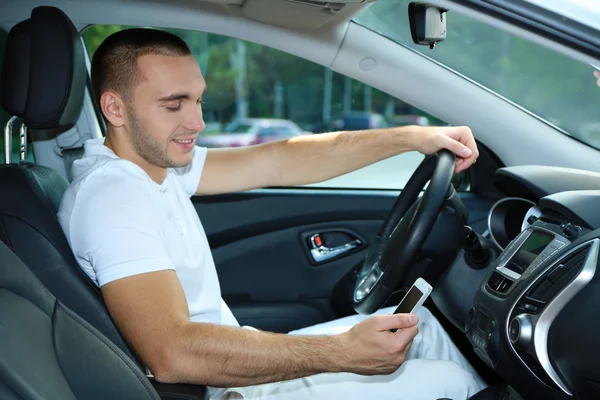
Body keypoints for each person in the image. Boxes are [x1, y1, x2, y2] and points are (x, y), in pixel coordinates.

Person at [58, 28, 484, 400]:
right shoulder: (113, 198)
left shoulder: (156, 166)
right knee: (451, 382)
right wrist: (344, 355)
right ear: (115, 109)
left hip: (234, 363)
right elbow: (174, 354)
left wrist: (412, 138)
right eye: (174, 105)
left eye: (198, 100)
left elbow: (280, 160)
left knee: (421, 326)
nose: (197, 122)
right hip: (223, 390)